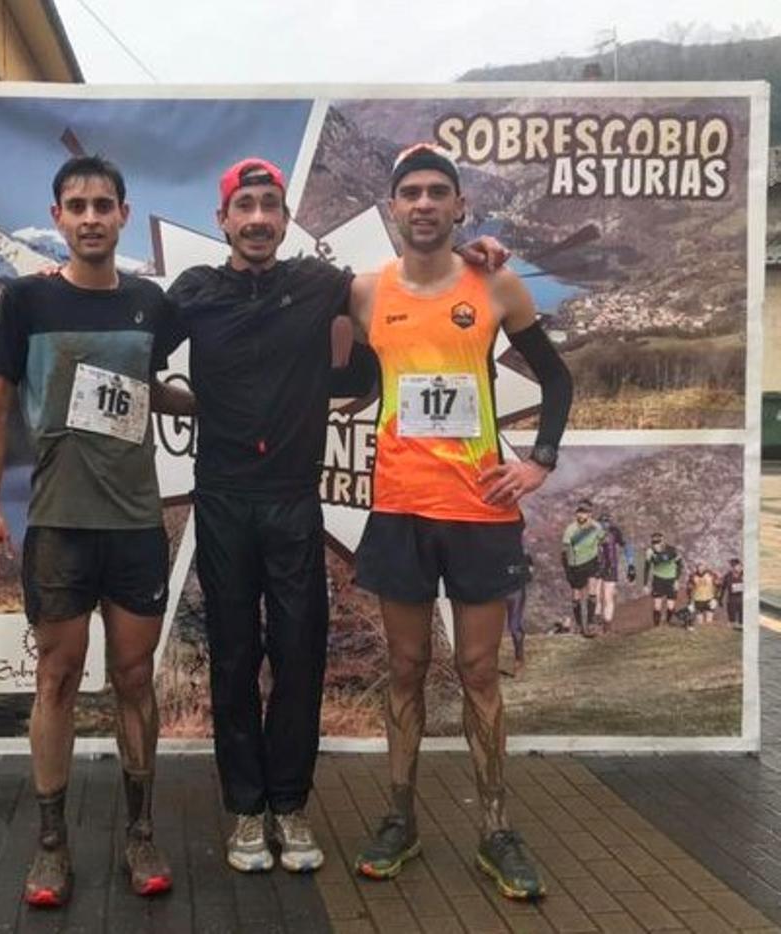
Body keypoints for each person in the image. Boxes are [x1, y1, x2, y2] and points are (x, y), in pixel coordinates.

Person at [166, 157, 505, 875]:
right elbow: (130, 342)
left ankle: (289, 806)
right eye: (244, 207)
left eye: (270, 206)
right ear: (223, 220)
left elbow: (414, 278)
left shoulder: (318, 285)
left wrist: (475, 255)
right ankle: (245, 813)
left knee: (299, 654)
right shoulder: (194, 291)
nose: (257, 218)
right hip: (223, 499)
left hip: (294, 500)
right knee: (231, 657)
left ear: (286, 222)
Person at [347, 142, 572, 901]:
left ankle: (496, 828)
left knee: (477, 671)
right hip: (400, 507)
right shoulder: (363, 292)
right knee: (406, 669)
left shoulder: (495, 282)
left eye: (437, 191)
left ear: (459, 207)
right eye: (409, 192)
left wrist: (539, 459)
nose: (423, 203)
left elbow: (559, 377)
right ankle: (400, 817)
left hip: (480, 509)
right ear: (392, 207)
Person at [0, 156, 189, 907]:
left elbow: (162, 382)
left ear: (124, 214)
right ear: (58, 215)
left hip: (134, 523)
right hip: (60, 526)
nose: (91, 216)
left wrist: (191, 405)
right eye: (77, 204)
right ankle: (52, 844)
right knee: (56, 679)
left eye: (104, 204)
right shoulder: (25, 300)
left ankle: (140, 831)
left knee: (134, 680)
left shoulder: (150, 305)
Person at [560, 500, 602, 637]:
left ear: (590, 514)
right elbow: (565, 550)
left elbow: (603, 540)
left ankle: (590, 623)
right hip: (576, 565)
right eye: (579, 512)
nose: (581, 515)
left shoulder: (596, 527)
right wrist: (567, 569)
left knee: (592, 591)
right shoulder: (571, 529)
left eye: (584, 513)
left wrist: (602, 558)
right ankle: (578, 624)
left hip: (592, 562)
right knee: (576, 595)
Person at [595, 510, 635, 634]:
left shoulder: (614, 531)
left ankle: (607, 626)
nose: (604, 524)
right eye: (602, 522)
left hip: (610, 566)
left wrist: (631, 565)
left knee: (607, 597)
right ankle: (596, 621)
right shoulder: (592, 532)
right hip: (595, 566)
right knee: (596, 596)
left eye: (606, 522)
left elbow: (626, 545)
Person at [643, 532, 683, 627]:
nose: (656, 545)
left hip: (671, 579)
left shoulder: (672, 550)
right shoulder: (650, 552)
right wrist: (645, 584)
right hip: (658, 579)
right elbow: (646, 568)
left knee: (670, 606)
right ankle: (656, 626)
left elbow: (680, 565)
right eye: (654, 543)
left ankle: (667, 623)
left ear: (663, 541)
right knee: (657, 605)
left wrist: (677, 580)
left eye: (658, 542)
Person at [503, 554, 533, 676]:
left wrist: (509, 571)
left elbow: (528, 574)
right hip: (496, 592)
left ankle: (519, 660)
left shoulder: (521, 553)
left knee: (514, 626)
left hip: (515, 592)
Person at [687, 560, 718, 629]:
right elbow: (689, 589)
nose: (700, 569)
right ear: (696, 568)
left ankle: (709, 634)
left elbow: (718, 585)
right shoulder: (692, 576)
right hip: (698, 599)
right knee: (700, 622)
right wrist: (690, 600)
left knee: (709, 621)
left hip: (709, 599)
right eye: (699, 567)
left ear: (705, 567)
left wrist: (715, 598)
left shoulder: (711, 575)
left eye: (702, 567)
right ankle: (701, 633)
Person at [720, 557, 744, 629]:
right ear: (732, 567)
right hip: (732, 598)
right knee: (731, 616)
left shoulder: (745, 574)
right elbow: (723, 588)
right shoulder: (727, 576)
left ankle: (741, 626)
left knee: (742, 616)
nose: (738, 568)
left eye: (740, 566)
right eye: (735, 566)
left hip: (742, 598)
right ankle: (732, 626)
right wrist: (720, 599)